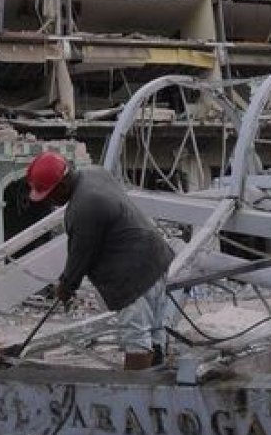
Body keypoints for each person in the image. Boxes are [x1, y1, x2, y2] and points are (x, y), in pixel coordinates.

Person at [27, 152, 173, 370]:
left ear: (63, 184)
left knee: (136, 339)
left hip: (131, 276)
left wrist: (66, 286)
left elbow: (80, 255)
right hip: (154, 257)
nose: (49, 200)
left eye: (50, 194)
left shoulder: (84, 207)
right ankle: (158, 382)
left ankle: (135, 396)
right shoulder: (94, 173)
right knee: (154, 331)